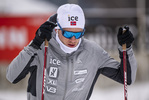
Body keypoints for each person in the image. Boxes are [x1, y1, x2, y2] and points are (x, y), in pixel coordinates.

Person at [6, 4, 137, 100]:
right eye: (68, 33)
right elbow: (12, 76)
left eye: (78, 33)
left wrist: (127, 49)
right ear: (57, 29)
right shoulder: (41, 46)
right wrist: (34, 45)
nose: (73, 39)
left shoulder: (92, 52)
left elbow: (127, 78)